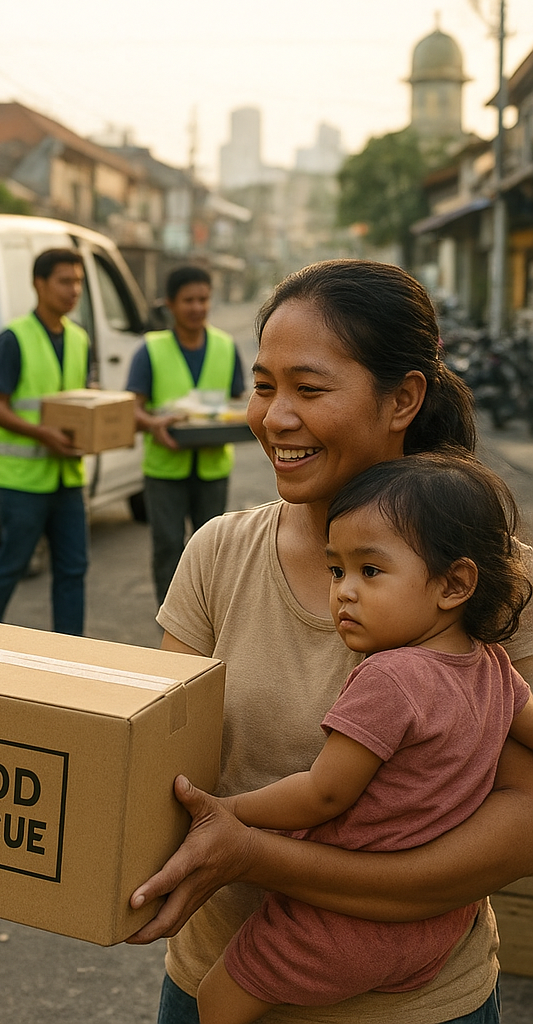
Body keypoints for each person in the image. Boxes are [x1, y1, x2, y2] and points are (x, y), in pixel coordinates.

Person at [125, 259, 533, 1024]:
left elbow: (520, 825)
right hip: (212, 979)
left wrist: (265, 857)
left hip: (415, 1006)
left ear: (404, 398)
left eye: (310, 390)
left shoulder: (490, 584)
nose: (276, 417)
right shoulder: (219, 553)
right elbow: (160, 766)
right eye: (264, 385)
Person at [194, 451, 533, 1024]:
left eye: (369, 572)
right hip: (434, 931)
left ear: (455, 584)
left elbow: (324, 793)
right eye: (336, 571)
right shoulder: (495, 667)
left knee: (214, 1000)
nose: (345, 592)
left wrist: (227, 812)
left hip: (334, 926)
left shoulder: (390, 677)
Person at [0, 248, 89, 636]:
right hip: (21, 478)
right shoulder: (14, 339)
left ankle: (71, 653)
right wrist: (43, 434)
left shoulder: (79, 339)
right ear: (39, 284)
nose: (73, 290)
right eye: (64, 281)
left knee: (74, 568)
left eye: (77, 281)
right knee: (13, 563)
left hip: (67, 477)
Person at [125, 265, 245, 606]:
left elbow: (238, 402)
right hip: (165, 468)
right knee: (167, 546)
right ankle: (170, 618)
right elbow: (132, 408)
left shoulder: (225, 346)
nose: (197, 307)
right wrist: (152, 424)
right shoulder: (150, 349)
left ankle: (207, 618)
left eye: (203, 299)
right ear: (171, 305)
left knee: (212, 552)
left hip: (213, 467)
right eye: (189, 300)